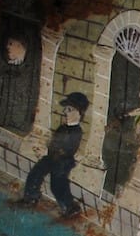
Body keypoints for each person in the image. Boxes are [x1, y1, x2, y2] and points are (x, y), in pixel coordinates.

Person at [17, 91, 87, 219]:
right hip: (53, 156)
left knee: (57, 184)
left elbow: (68, 149)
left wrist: (57, 153)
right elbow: (54, 142)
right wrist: (46, 150)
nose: (65, 112)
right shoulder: (62, 128)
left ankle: (69, 207)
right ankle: (31, 197)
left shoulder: (76, 132)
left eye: (70, 109)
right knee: (36, 172)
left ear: (79, 113)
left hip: (63, 161)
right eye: (66, 109)